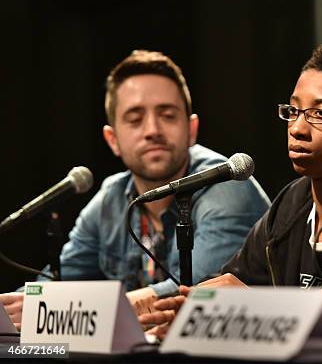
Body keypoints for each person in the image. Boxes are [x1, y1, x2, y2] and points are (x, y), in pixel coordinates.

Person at [139, 39, 322, 335]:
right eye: (294, 111)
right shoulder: (291, 204)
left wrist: (253, 304)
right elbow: (231, 284)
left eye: (320, 114)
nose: (297, 128)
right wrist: (194, 315)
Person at [0, 50, 270, 330]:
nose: (152, 129)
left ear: (191, 130)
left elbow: (194, 292)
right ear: (112, 139)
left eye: (167, 115)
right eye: (135, 118)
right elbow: (55, 283)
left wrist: (63, 309)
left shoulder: (227, 183)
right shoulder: (111, 199)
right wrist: (21, 306)